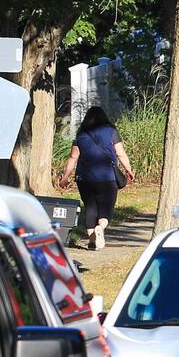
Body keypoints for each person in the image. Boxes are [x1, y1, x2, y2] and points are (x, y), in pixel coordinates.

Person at [62, 106, 135, 250]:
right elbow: (120, 153)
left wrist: (65, 177)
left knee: (90, 207)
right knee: (105, 210)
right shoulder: (111, 132)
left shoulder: (81, 134)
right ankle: (100, 227)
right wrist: (128, 169)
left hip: (84, 178)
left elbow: (73, 157)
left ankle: (92, 242)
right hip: (107, 177)